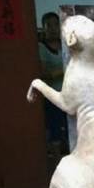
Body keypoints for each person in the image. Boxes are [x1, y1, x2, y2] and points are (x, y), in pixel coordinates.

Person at [37, 12, 68, 157]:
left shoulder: (66, 46)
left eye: (56, 25)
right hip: (52, 98)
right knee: (55, 133)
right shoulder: (40, 47)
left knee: (70, 130)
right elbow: (45, 73)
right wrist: (67, 69)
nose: (53, 29)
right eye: (49, 25)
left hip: (68, 96)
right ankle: (56, 162)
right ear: (43, 28)